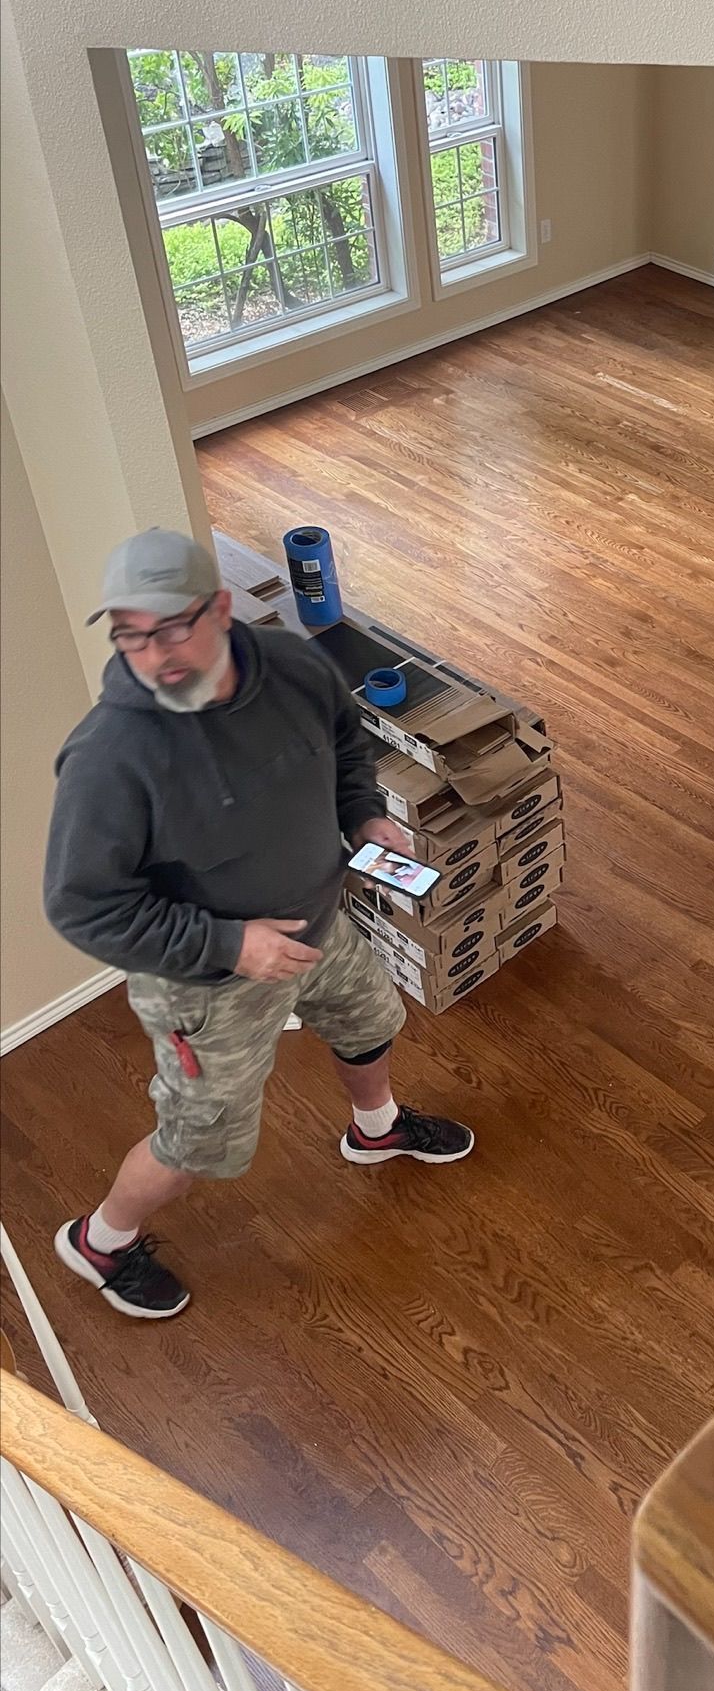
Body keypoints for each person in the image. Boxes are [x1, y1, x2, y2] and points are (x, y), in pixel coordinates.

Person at [43, 529, 475, 1320]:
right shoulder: (112, 756)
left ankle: (374, 1130)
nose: (154, 655)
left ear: (220, 610)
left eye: (172, 628)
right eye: (130, 635)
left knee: (370, 1020)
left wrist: (365, 818)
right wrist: (228, 943)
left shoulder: (295, 669)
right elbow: (82, 904)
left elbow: (346, 749)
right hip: (207, 985)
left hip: (318, 923)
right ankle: (100, 1240)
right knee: (200, 1143)